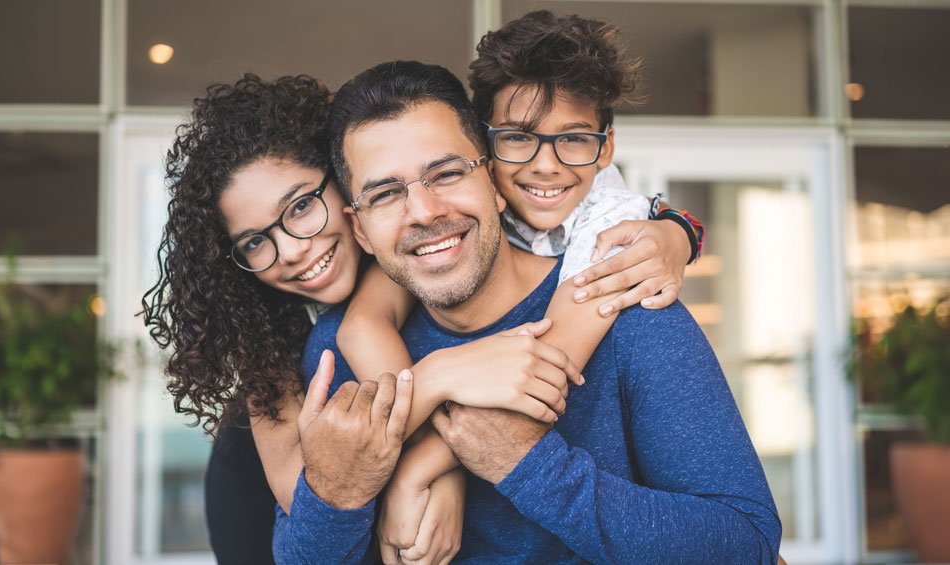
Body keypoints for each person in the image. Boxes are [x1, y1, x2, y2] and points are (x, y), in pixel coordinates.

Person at [141, 72, 693, 563]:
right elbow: (313, 501)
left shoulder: (413, 263)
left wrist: (677, 230)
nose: (291, 249)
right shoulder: (277, 356)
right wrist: (439, 385)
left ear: (342, 186)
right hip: (254, 505)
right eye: (256, 241)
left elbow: (599, 205)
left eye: (301, 207)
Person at [274, 60, 781, 563]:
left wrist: (530, 464)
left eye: (447, 173)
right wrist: (339, 490)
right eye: (384, 194)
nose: (424, 212)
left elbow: (748, 542)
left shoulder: (628, 305)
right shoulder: (336, 352)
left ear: (493, 182)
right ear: (360, 229)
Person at [333, 12, 704, 558]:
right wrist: (436, 378)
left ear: (605, 149)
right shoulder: (453, 210)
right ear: (486, 143)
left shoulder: (608, 226)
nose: (545, 166)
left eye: (574, 139)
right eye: (518, 138)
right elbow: (363, 323)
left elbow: (541, 366)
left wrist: (420, 469)